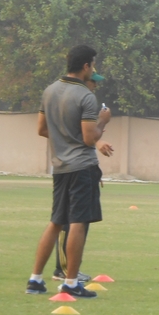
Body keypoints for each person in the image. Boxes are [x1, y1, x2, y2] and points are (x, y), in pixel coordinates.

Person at [25, 45, 111, 298]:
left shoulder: (49, 91)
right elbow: (88, 138)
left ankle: (35, 280)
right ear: (86, 66)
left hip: (59, 167)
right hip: (81, 167)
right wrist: (103, 121)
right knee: (78, 223)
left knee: (55, 222)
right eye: (92, 65)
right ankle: (71, 282)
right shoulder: (85, 96)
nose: (93, 70)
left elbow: (41, 129)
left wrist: (64, 136)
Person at [52, 71, 114, 283]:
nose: (95, 86)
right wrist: (102, 122)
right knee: (66, 221)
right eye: (92, 82)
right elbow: (82, 136)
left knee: (78, 219)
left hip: (81, 166)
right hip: (72, 167)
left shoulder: (82, 102)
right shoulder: (79, 99)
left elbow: (82, 136)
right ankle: (63, 269)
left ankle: (69, 269)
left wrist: (96, 152)